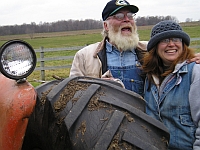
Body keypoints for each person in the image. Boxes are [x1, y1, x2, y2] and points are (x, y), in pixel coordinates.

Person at [142, 20, 200, 150]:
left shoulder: (195, 72)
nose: (171, 44)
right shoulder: (150, 78)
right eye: (165, 40)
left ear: (183, 44)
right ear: (155, 47)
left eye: (176, 39)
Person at [70, 0, 147, 96]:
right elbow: (72, 94)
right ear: (106, 26)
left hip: (141, 111)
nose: (127, 19)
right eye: (119, 16)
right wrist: (96, 88)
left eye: (130, 15)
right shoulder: (85, 56)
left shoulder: (149, 50)